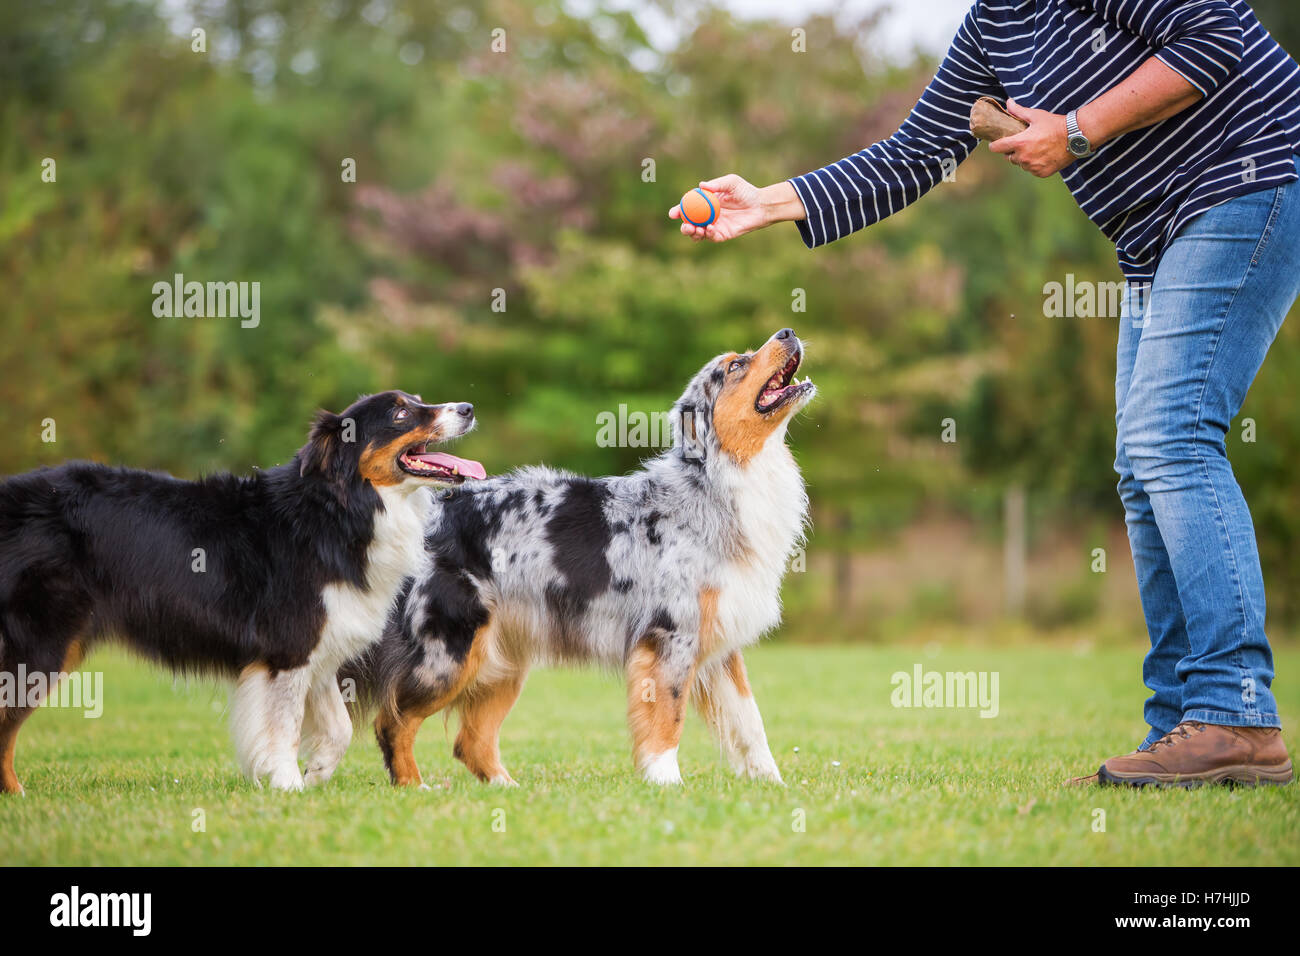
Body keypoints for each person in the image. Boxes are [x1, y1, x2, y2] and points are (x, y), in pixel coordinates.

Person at [672, 0, 1300, 787]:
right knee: (1142, 467)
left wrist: (1077, 131)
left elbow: (1216, 36)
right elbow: (917, 154)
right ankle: (1182, 725)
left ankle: (1235, 714)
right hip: (1157, 235)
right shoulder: (996, 23)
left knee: (1169, 439)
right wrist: (768, 200)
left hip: (1250, 178)